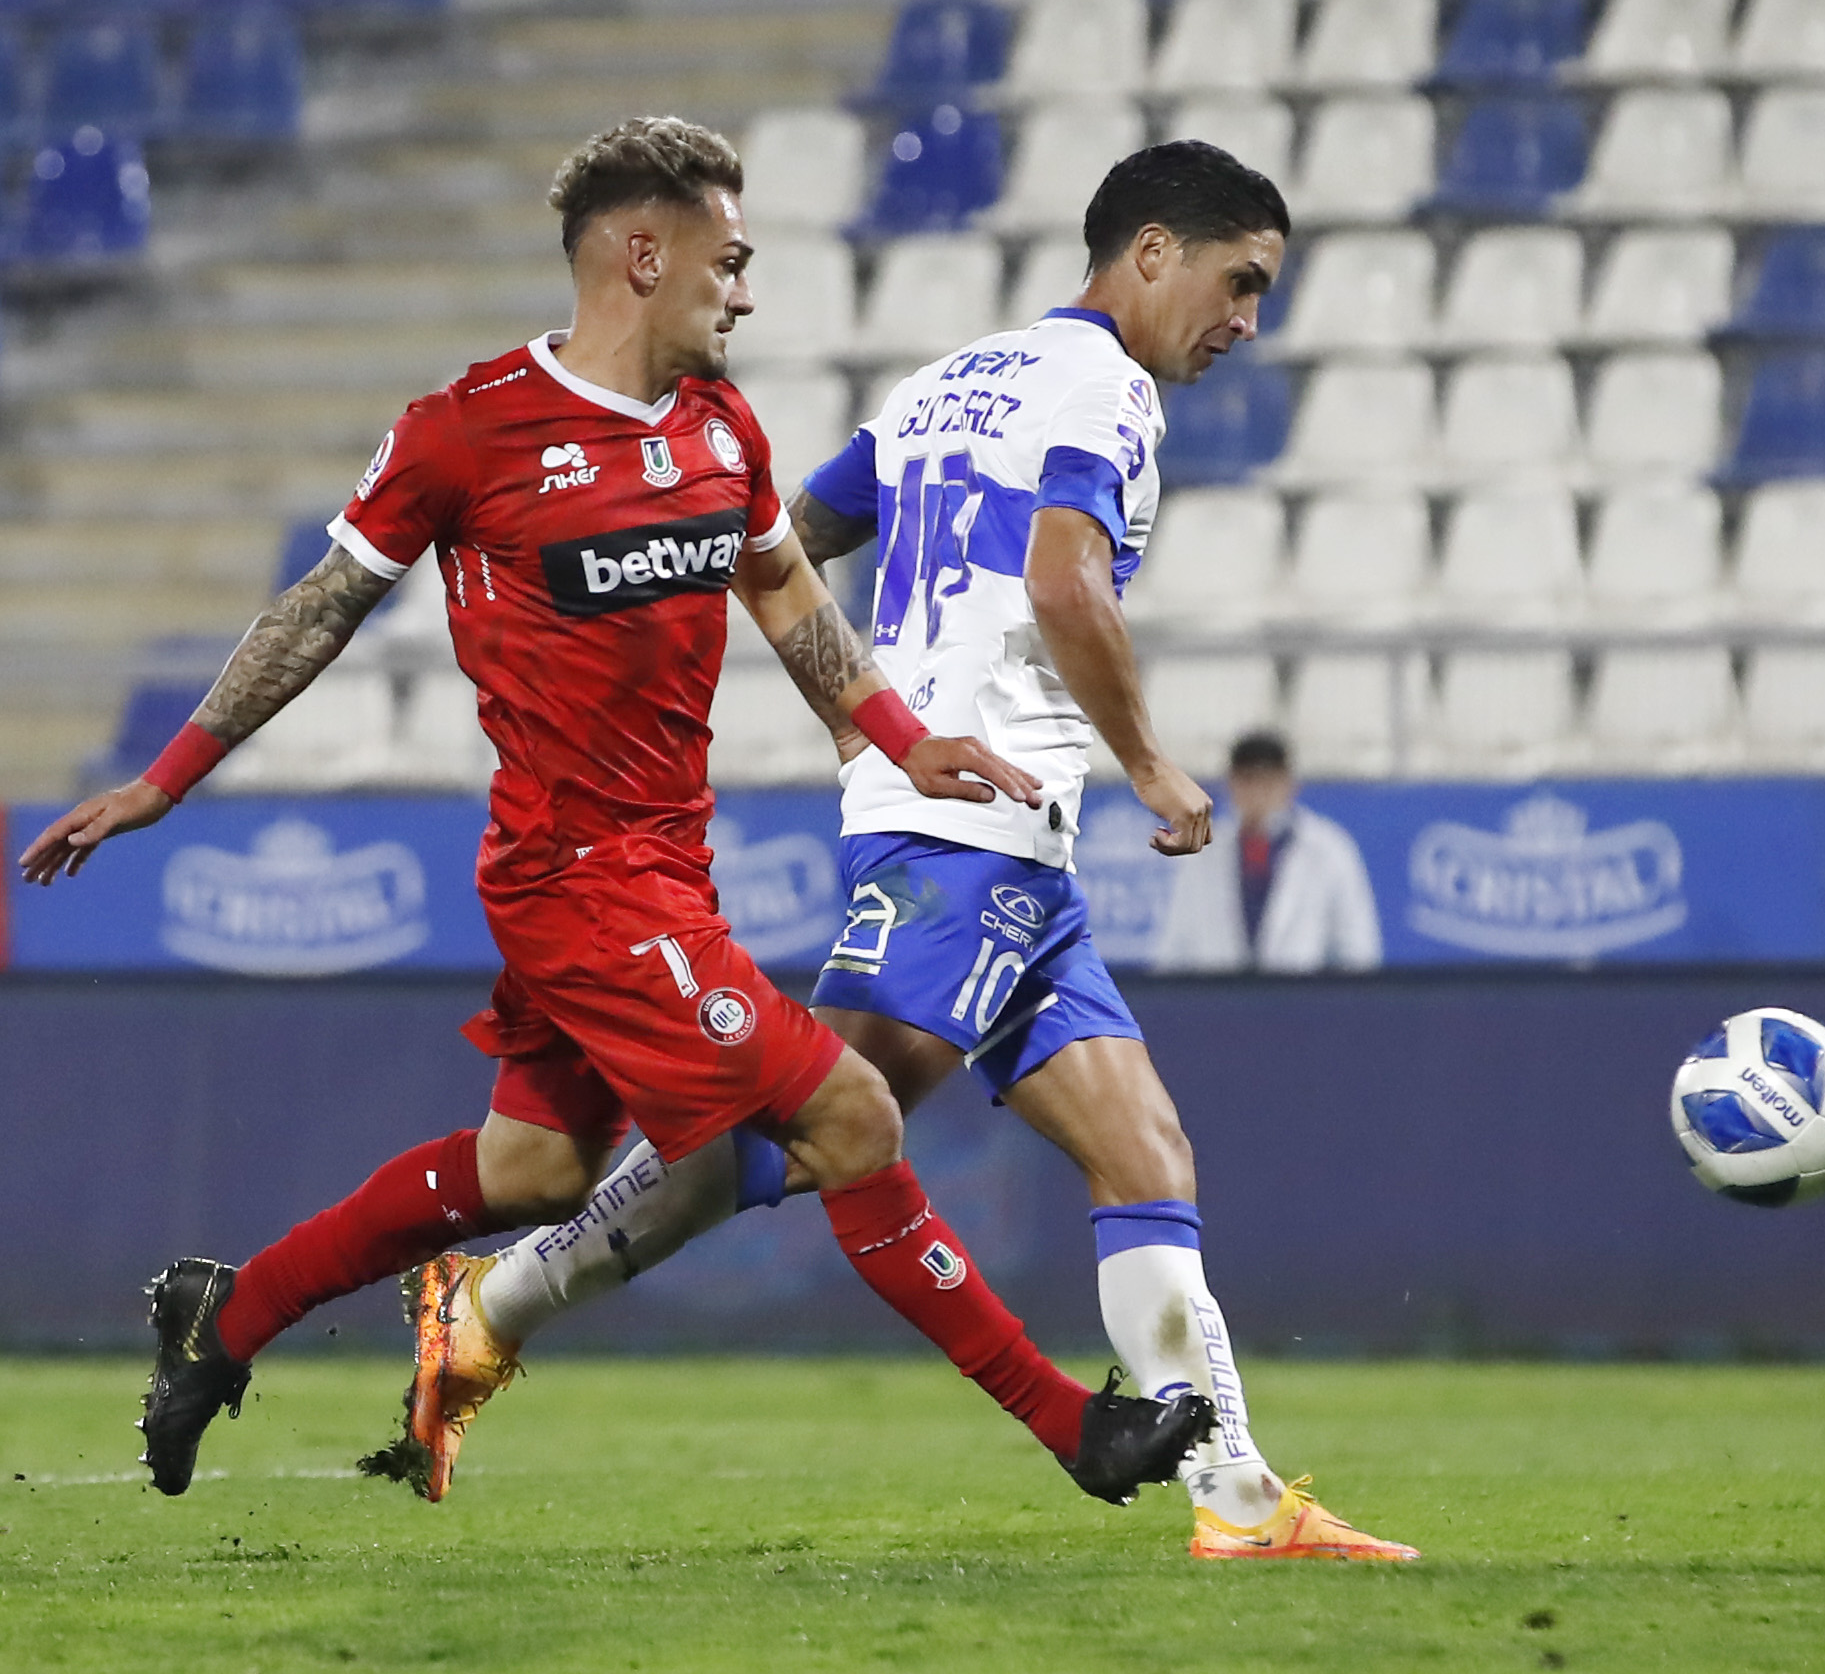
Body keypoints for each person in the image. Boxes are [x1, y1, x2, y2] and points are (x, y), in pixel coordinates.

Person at [15, 117, 1210, 1508]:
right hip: (575, 883)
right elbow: (321, 610)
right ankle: (1078, 1432)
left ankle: (228, 1313)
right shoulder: (464, 433)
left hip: (662, 872)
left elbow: (787, 596)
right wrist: (165, 780)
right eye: (731, 260)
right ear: (645, 255)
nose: (748, 291)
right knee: (856, 1118)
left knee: (530, 1169)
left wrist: (898, 736)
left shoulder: (724, 430)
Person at [380, 141, 1415, 1560]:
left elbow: (790, 533)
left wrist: (862, 699)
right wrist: (1147, 759)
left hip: (994, 840)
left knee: (1144, 1149)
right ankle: (488, 1309)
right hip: (962, 830)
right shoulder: (1106, 390)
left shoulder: (949, 381)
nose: (1245, 321)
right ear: (1153, 253)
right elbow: (1060, 577)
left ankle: (1237, 1502)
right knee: (802, 1134)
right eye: (1238, 283)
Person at [1153, 730, 1382, 973]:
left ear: (1289, 784)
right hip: (1220, 1002)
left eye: (1268, 781)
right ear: (1231, 785)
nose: (1258, 793)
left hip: (1303, 1003)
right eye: (1248, 780)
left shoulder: (1329, 851)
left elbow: (1357, 949)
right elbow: (1176, 947)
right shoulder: (1202, 852)